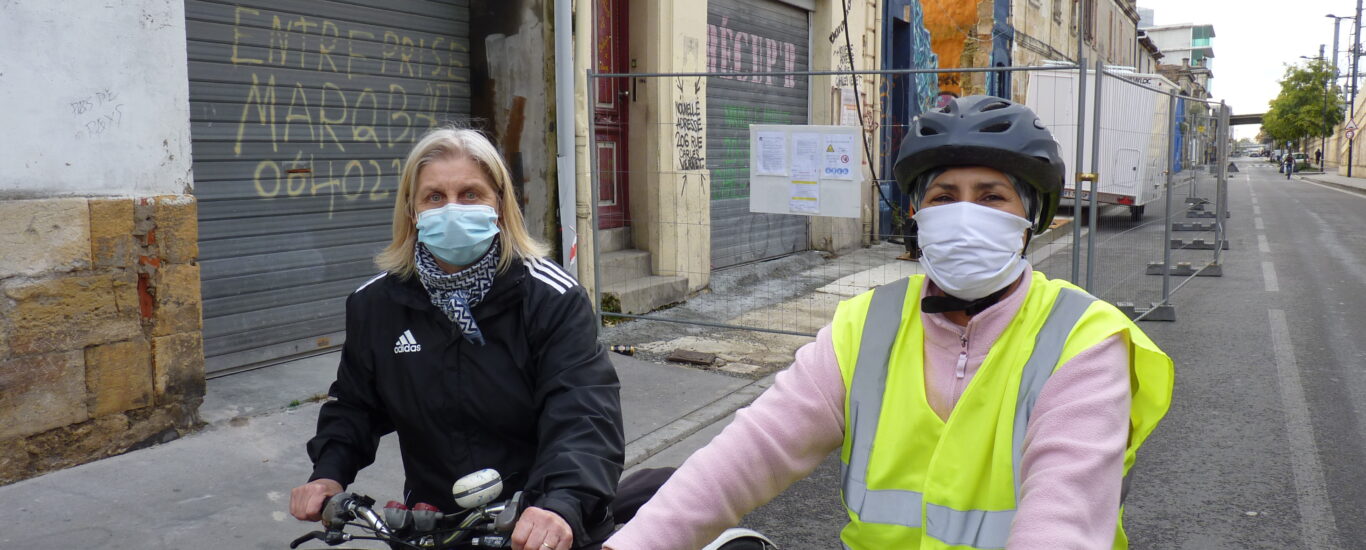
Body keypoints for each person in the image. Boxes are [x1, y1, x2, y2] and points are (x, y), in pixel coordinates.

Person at [604, 96, 1174, 550]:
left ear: (1032, 220)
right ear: (917, 216)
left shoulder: (1084, 339)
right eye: (944, 196)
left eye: (992, 196)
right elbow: (750, 452)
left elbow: (1064, 517)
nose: (964, 214)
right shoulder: (866, 325)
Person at [289, 127, 624, 550]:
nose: (452, 209)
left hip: (537, 525)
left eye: (470, 194)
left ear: (500, 205)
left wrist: (561, 503)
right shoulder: (375, 304)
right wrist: (328, 473)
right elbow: (355, 405)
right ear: (412, 211)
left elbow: (585, 412)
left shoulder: (550, 297)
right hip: (430, 527)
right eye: (434, 197)